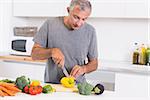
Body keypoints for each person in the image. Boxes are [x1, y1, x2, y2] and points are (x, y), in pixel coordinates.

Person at [31, 0, 98, 83]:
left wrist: (84, 69)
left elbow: (94, 64)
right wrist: (51, 51)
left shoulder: (90, 31)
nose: (79, 23)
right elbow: (34, 55)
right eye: (76, 17)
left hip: (78, 87)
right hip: (52, 86)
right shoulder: (50, 24)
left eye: (84, 19)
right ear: (68, 10)